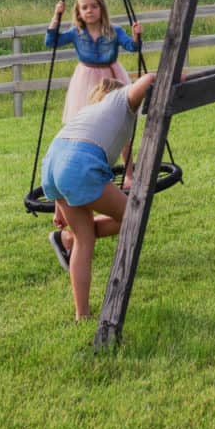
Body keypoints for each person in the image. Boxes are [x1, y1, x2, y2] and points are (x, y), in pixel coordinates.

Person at [42, 71, 156, 321]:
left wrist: (58, 208)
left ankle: (81, 314)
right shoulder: (119, 102)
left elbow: (64, 153)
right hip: (79, 165)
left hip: (52, 164)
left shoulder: (87, 115)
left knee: (84, 239)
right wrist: (173, 76)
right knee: (135, 217)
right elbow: (148, 80)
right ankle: (69, 238)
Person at [45, 0, 143, 210]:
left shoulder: (114, 31)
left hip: (112, 77)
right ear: (79, 13)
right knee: (88, 130)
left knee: (122, 126)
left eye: (94, 6)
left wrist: (137, 34)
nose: (89, 11)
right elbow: (51, 42)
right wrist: (56, 15)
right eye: (84, 7)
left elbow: (133, 47)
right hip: (86, 80)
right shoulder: (75, 33)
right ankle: (96, 174)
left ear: (101, 9)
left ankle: (129, 174)